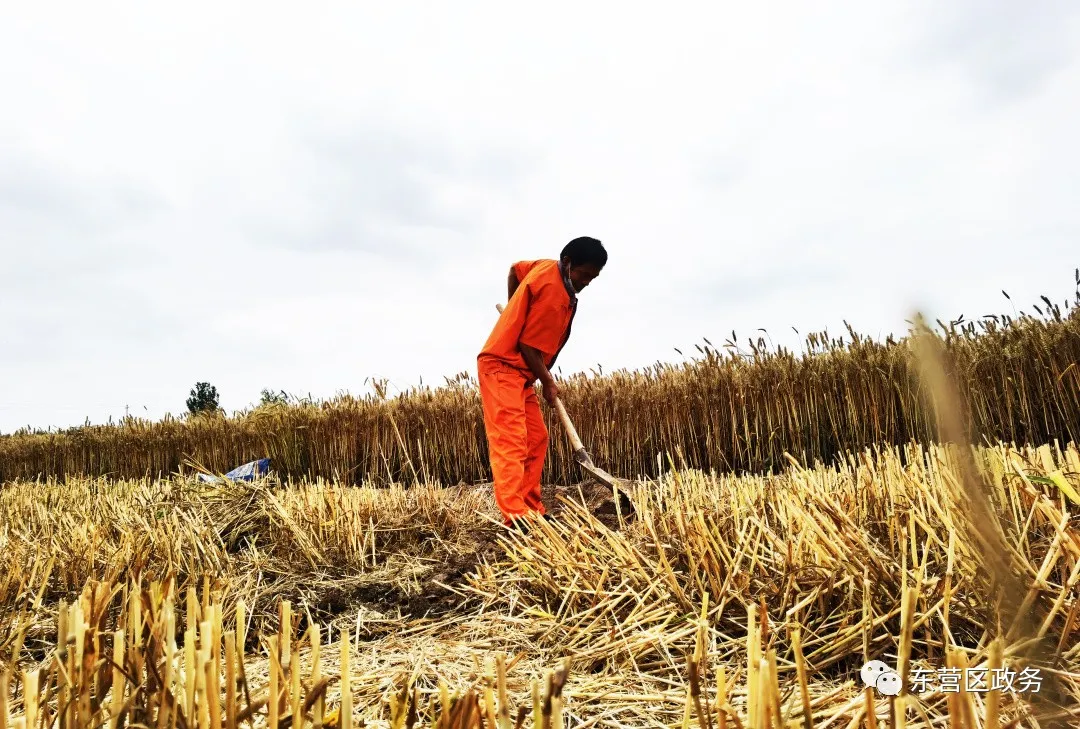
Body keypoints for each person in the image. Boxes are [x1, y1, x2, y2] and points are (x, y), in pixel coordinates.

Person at [477, 237, 608, 529]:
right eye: (583, 274)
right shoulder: (554, 293)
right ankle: (514, 514)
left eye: (593, 278)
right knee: (510, 440)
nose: (586, 282)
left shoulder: (545, 267)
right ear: (568, 262)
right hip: (502, 366)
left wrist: (515, 306)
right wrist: (548, 382)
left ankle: (530, 506)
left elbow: (514, 269)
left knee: (536, 438)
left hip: (521, 373)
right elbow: (527, 345)